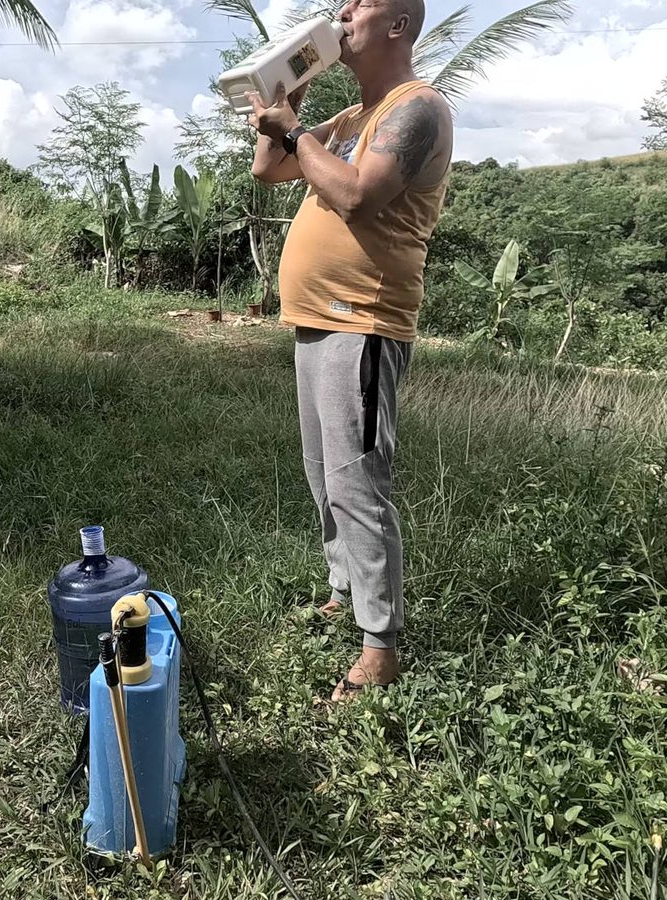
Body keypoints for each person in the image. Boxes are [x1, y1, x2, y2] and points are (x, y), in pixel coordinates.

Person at [245, 0, 453, 702]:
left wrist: (299, 128)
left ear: (397, 24)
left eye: (359, 2)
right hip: (315, 321)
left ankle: (380, 647)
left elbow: (358, 196)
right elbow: (269, 173)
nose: (341, 11)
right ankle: (343, 591)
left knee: (359, 485)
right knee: (323, 476)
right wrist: (288, 106)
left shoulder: (415, 108)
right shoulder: (350, 119)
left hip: (362, 322)